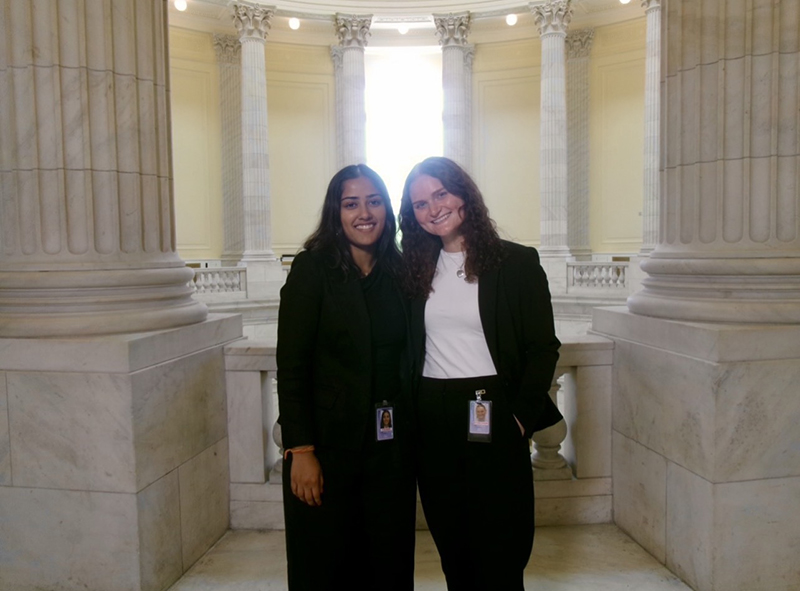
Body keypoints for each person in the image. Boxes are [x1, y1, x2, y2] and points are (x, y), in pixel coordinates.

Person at [399, 156, 563, 591]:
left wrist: (520, 418)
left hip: (495, 413)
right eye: (419, 204)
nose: (432, 208)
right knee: (454, 551)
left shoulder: (516, 263)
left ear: (463, 194)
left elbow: (543, 348)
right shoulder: (411, 270)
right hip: (432, 417)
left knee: (503, 551)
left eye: (441, 194)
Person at [277, 164, 416, 591]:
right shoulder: (312, 269)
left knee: (388, 565)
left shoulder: (401, 271)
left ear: (387, 209)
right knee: (325, 567)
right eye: (351, 203)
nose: (364, 213)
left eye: (374, 201)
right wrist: (301, 449)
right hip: (326, 449)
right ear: (335, 212)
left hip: (389, 451)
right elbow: (292, 364)